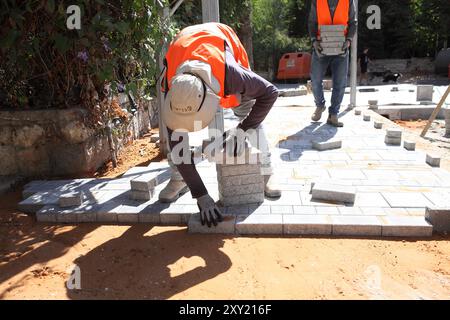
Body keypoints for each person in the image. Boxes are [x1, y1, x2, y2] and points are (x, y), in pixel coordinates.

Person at [159, 23, 280, 227]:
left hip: (220, 43)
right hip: (183, 48)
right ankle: (180, 178)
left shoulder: (233, 75)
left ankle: (266, 170)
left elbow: (270, 93)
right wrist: (201, 194)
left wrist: (242, 130)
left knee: (248, 111)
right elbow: (176, 143)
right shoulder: (173, 88)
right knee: (177, 132)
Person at [308, 0, 358, 127]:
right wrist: (314, 41)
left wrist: (349, 40)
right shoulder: (317, 1)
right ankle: (320, 105)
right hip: (321, 47)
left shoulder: (348, 1)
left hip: (341, 48)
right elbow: (312, 22)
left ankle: (333, 114)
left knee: (340, 83)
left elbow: (353, 22)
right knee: (315, 79)